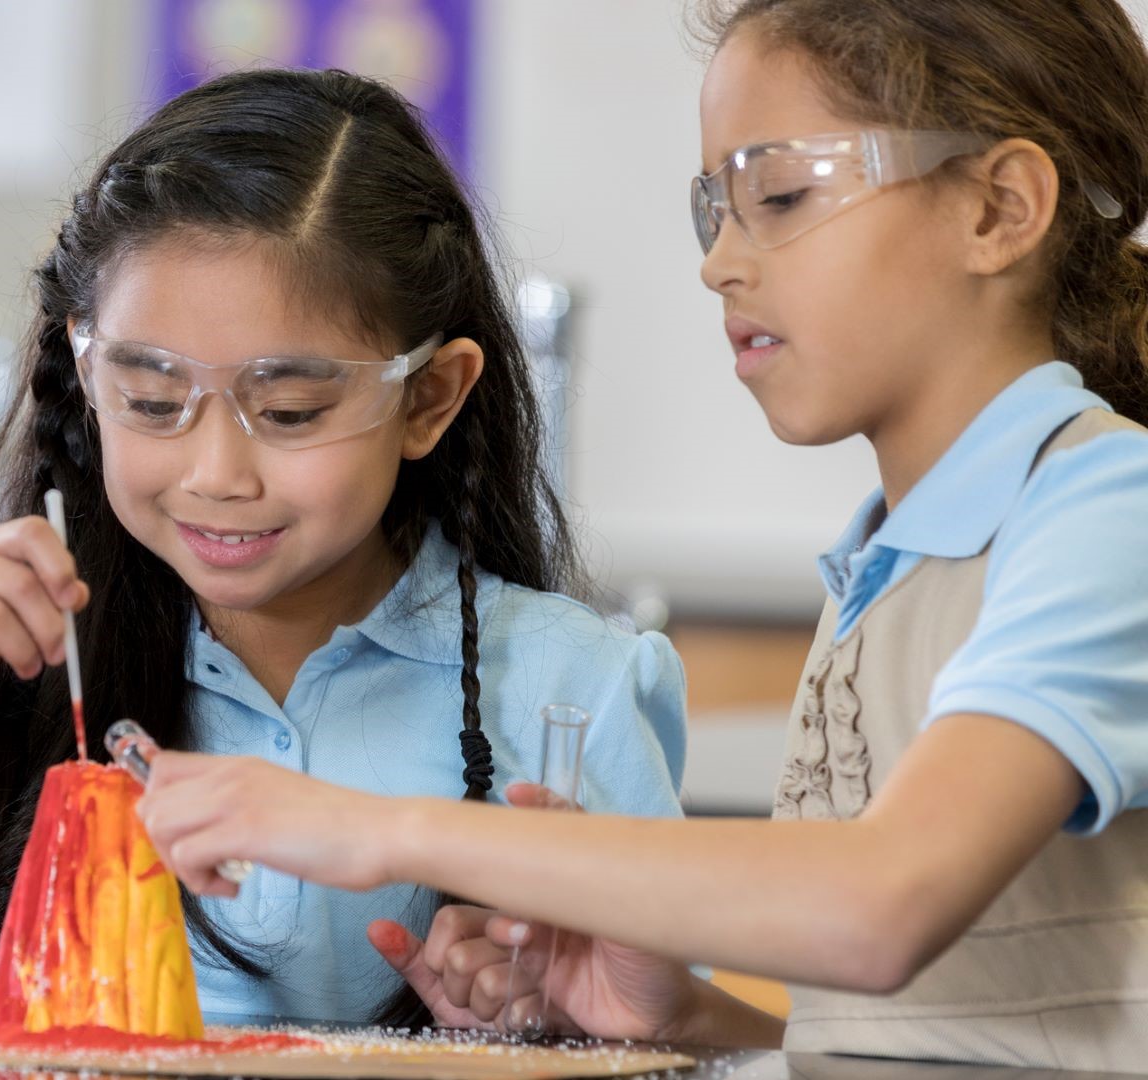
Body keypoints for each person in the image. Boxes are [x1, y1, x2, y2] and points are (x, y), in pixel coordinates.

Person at [137, 1, 1148, 1068]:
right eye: (714, 209)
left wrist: (375, 827)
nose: (720, 262)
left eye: (781, 196)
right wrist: (684, 1023)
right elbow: (921, 1043)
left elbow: (882, 908)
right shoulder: (890, 566)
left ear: (998, 208)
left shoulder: (1109, 506)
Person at [0, 68, 688, 1025]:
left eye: (291, 410)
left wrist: (560, 1010)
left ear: (431, 398)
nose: (216, 471)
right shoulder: (38, 662)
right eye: (153, 398)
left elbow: (667, 1014)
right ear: (85, 377)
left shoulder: (567, 691)